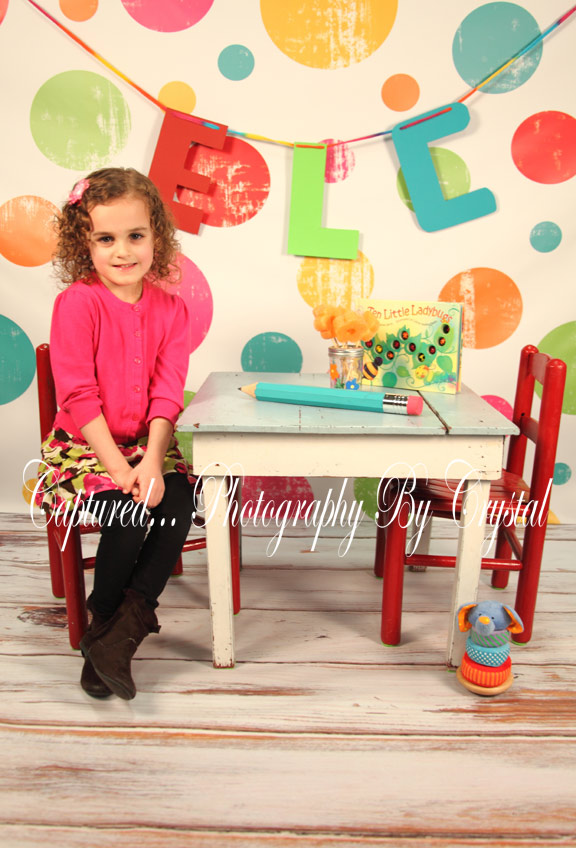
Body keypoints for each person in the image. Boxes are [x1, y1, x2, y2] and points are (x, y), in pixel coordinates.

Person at [37, 167, 196, 701]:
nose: (123, 251)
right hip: (86, 447)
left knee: (176, 503)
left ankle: (116, 638)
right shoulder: (78, 303)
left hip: (147, 445)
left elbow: (167, 394)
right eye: (106, 239)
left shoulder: (172, 310)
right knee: (129, 516)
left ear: (156, 236)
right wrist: (119, 470)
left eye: (135, 235)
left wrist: (150, 462)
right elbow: (78, 395)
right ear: (84, 243)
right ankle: (106, 621)